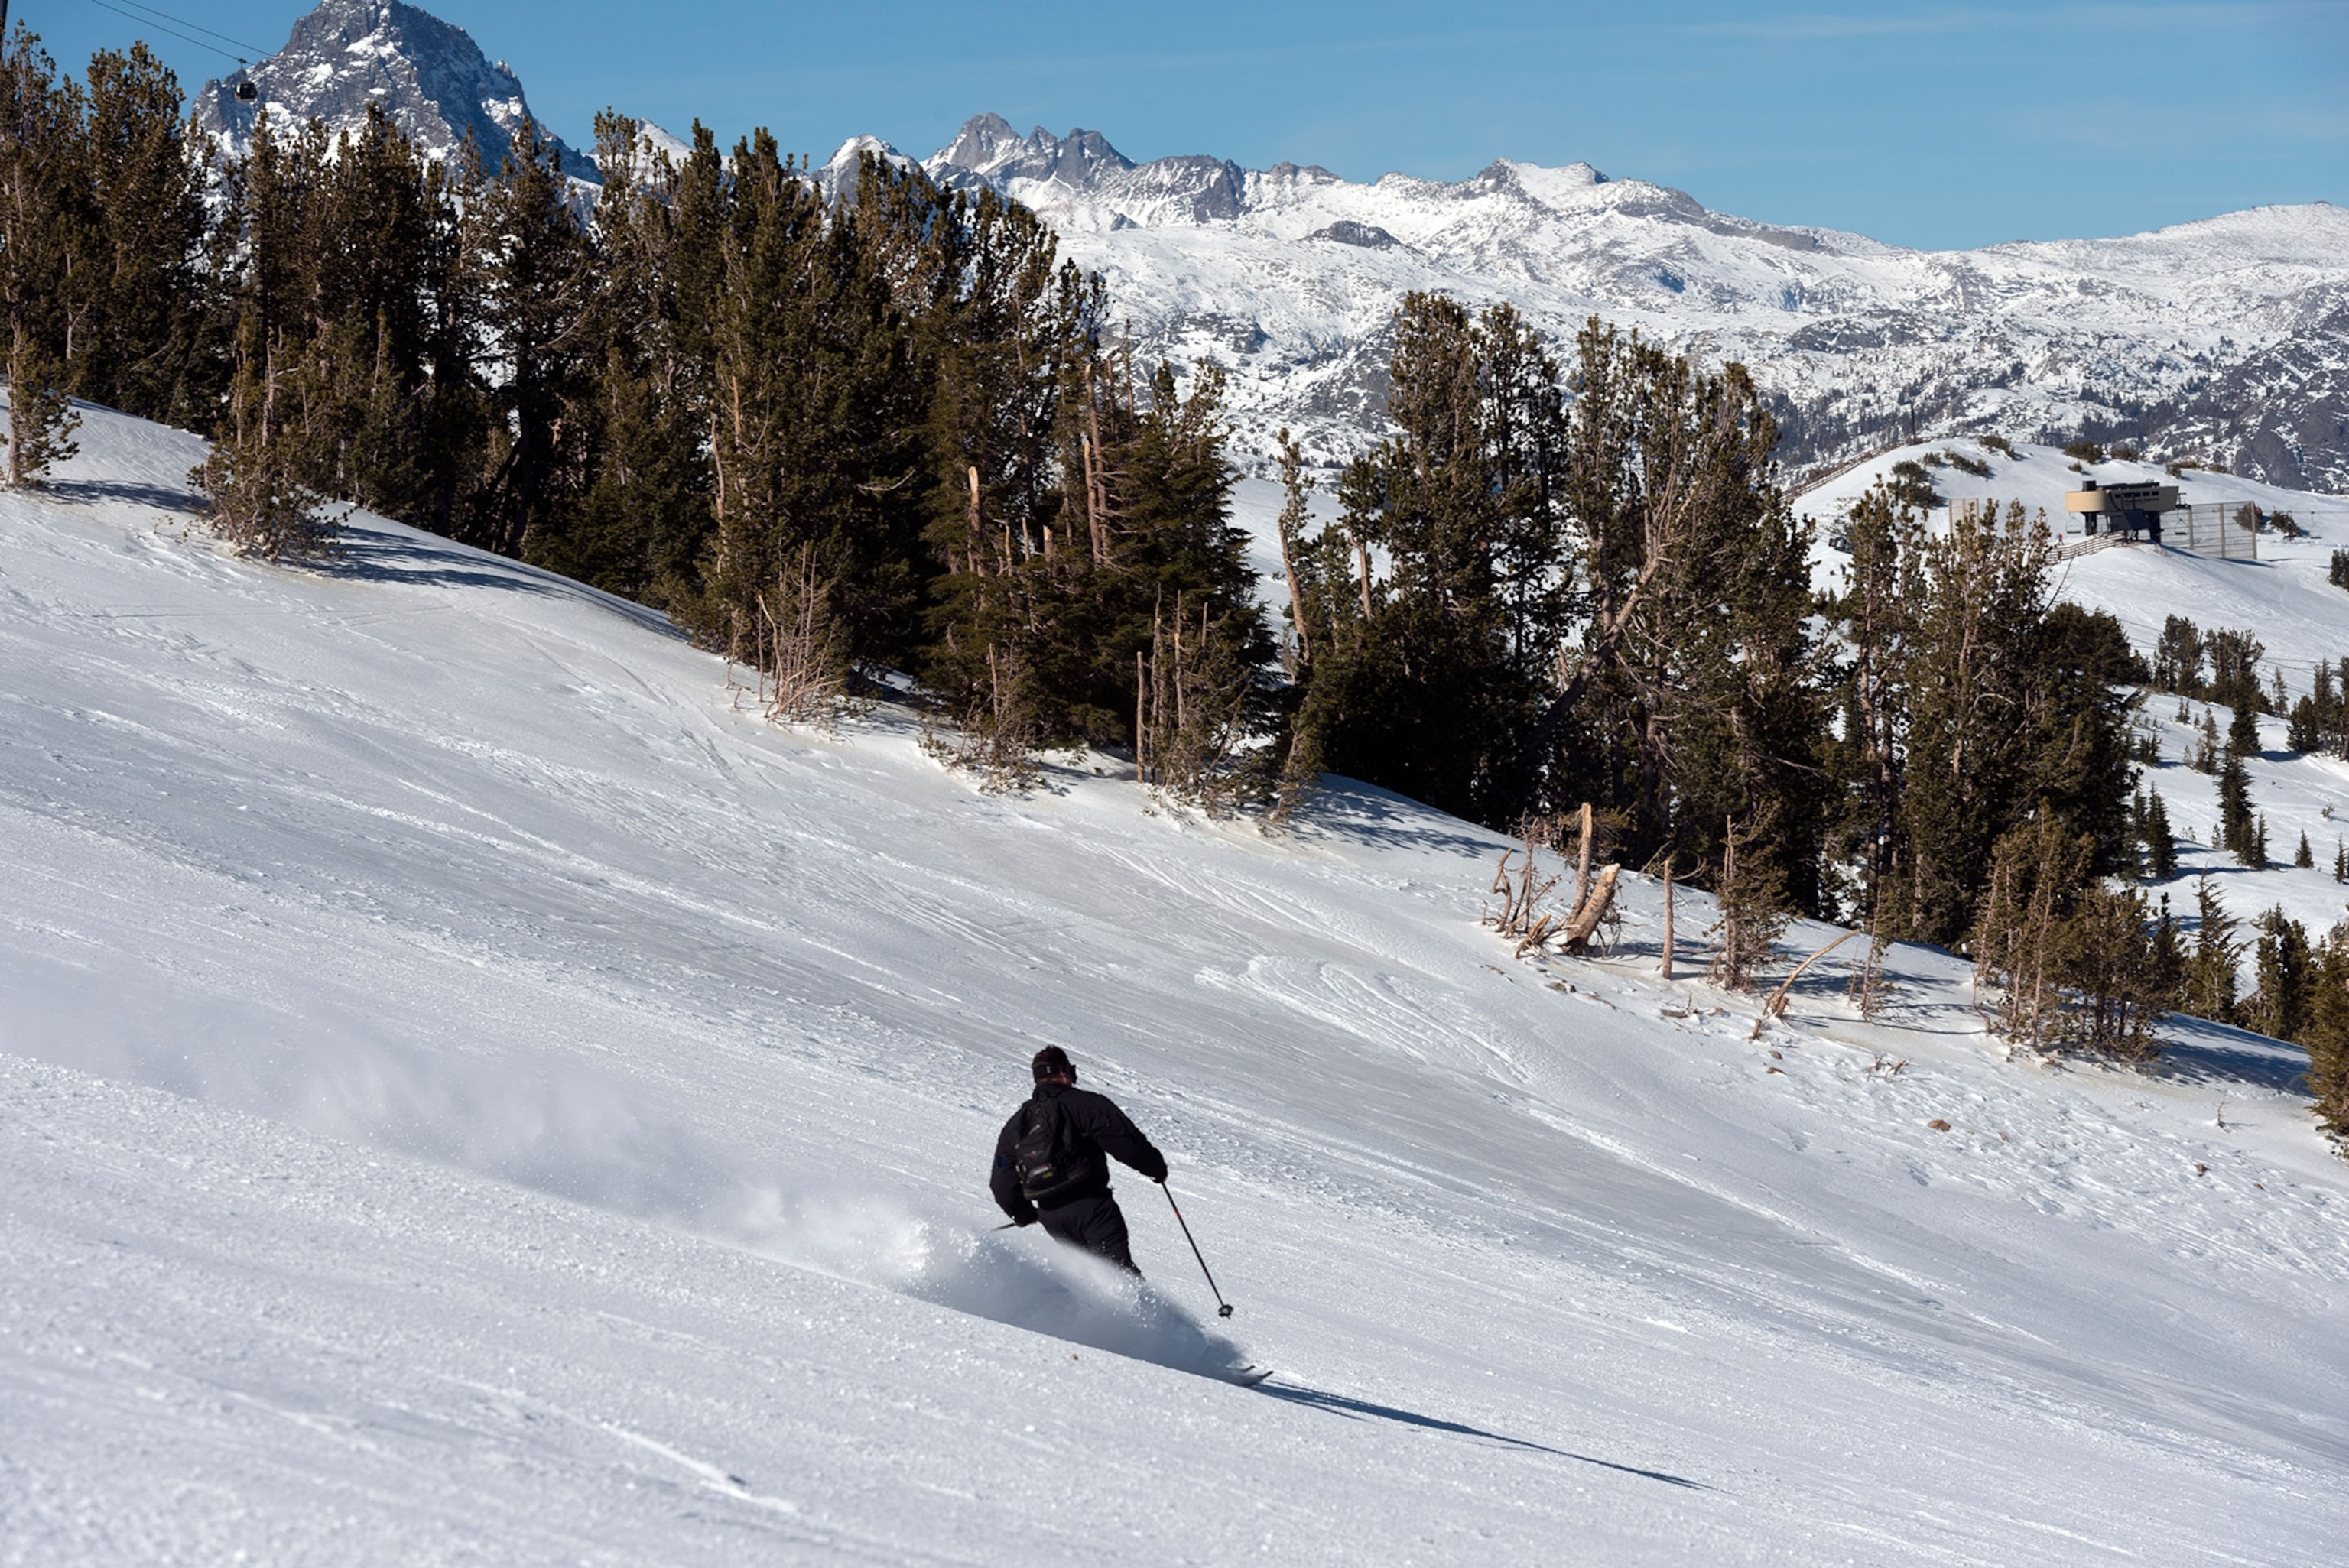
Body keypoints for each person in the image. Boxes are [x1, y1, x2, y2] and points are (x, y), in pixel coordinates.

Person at [991, 1046, 1167, 1273]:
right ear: (1064, 1072)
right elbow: (1127, 1144)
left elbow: (1000, 1182)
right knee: (1119, 1276)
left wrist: (1025, 1215)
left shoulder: (1017, 1123)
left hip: (1051, 1215)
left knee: (1093, 1278)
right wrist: (1156, 1168)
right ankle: (1137, 1308)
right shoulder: (1087, 1104)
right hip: (1093, 1209)